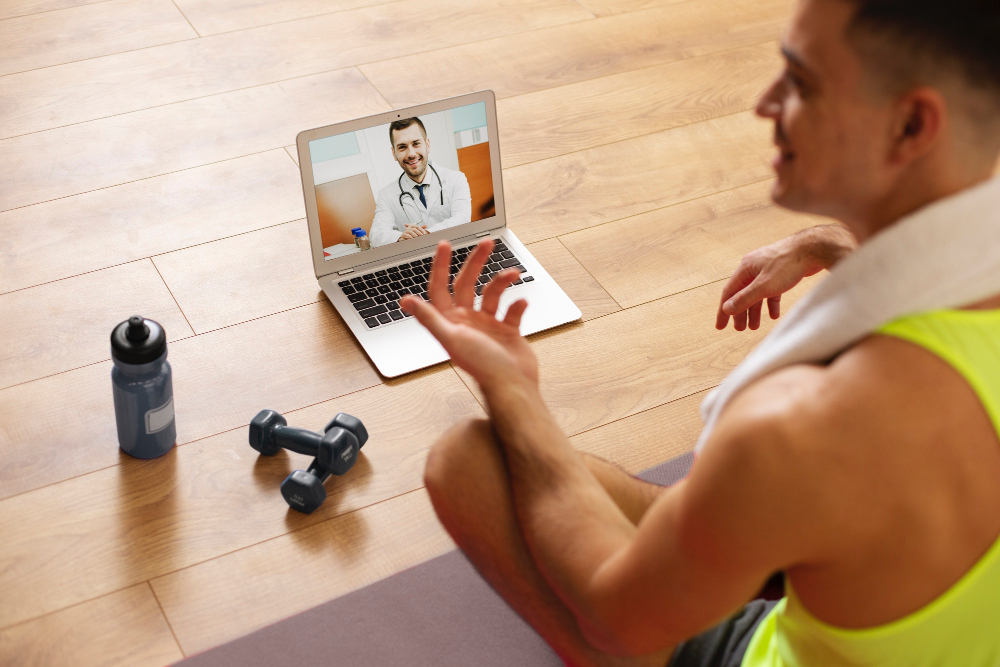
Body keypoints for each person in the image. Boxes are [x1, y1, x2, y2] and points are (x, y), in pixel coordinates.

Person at [400, 0, 1000, 665]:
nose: (765, 103)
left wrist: (513, 387)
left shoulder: (805, 428)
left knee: (467, 460)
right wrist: (824, 242)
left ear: (911, 124)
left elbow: (616, 615)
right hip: (894, 592)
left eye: (800, 82)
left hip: (727, 630)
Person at [369, 117, 472, 247]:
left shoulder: (456, 179)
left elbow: (462, 219)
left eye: (416, 143)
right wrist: (401, 236)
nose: (411, 153)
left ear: (427, 145)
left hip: (455, 250)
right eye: (402, 147)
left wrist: (426, 234)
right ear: (394, 153)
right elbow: (376, 235)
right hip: (416, 259)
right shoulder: (386, 195)